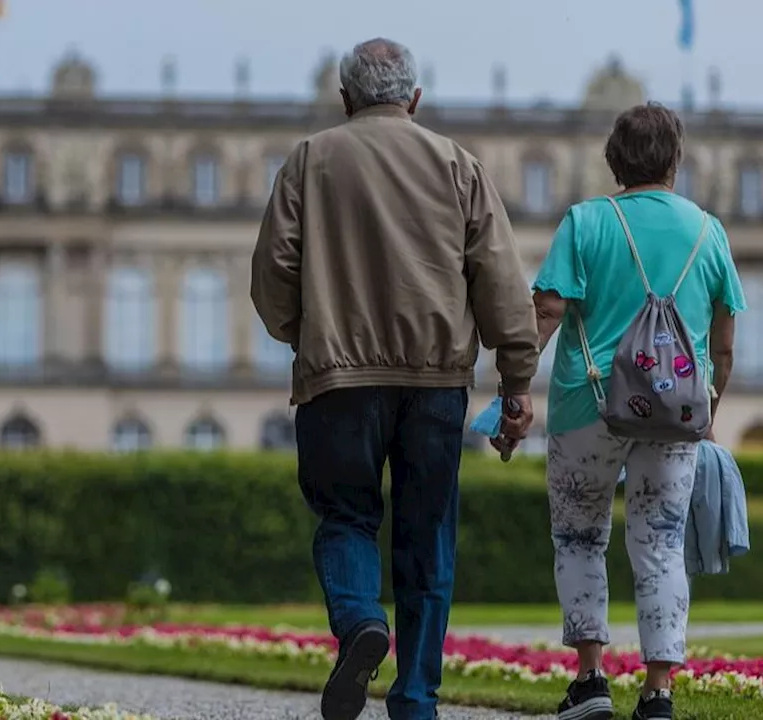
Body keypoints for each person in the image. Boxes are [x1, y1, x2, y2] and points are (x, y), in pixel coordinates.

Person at [250, 37, 539, 720]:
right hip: (436, 382)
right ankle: (415, 698)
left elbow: (271, 279)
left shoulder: (310, 160)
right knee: (426, 534)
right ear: (414, 99)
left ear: (346, 99)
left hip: (337, 381)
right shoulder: (456, 164)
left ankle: (358, 623)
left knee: (346, 515)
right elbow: (500, 281)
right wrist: (518, 381)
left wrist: (311, 333)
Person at [529, 103, 745, 720]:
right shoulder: (708, 232)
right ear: (675, 161)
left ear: (613, 161)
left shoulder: (586, 221)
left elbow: (546, 311)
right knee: (661, 544)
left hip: (586, 406)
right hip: (675, 412)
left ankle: (592, 680)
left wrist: (513, 386)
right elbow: (724, 344)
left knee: (578, 536)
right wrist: (707, 408)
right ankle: (658, 693)